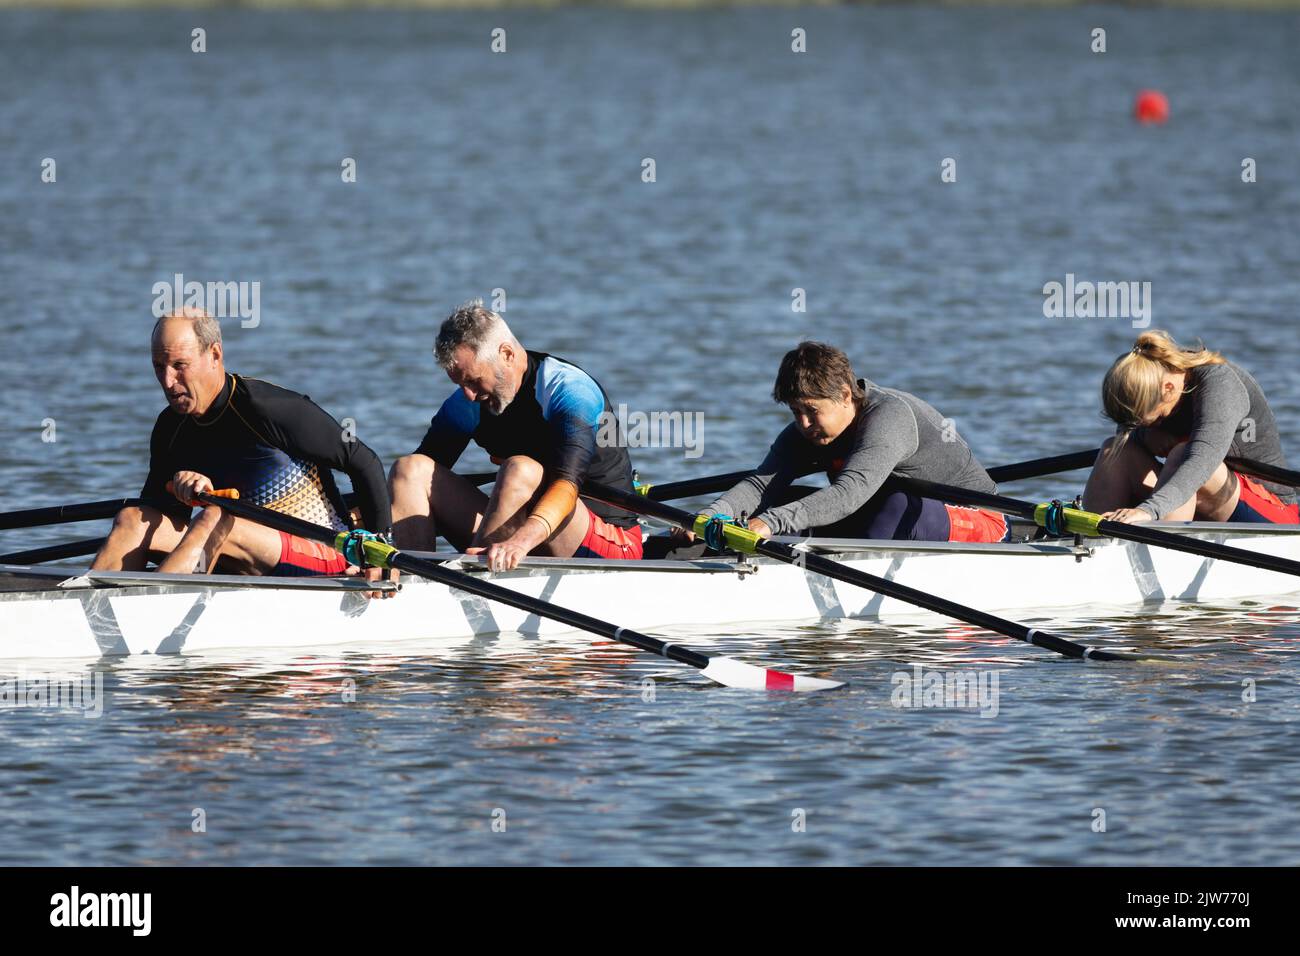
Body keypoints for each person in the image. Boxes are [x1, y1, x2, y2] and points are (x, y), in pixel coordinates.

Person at [92, 309, 394, 592]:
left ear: (214, 355)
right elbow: (159, 514)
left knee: (216, 517)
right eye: (159, 367)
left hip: (319, 549)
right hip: (237, 550)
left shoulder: (270, 409)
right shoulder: (170, 427)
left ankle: (153, 609)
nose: (168, 382)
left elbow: (364, 462)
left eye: (179, 366)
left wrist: (380, 553)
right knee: (133, 518)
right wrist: (181, 490)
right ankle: (94, 606)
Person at [389, 301, 641, 571]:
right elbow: (420, 481)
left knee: (520, 468)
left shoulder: (569, 390)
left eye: (473, 381)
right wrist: (358, 527)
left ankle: (478, 577)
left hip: (608, 541)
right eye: (460, 384)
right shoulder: (468, 402)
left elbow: (567, 486)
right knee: (410, 469)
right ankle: (411, 575)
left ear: (507, 353)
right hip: (517, 539)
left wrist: (520, 542)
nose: (468, 395)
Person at [690, 341, 1006, 544]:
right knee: (783, 498)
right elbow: (760, 486)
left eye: (812, 411)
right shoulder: (806, 431)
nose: (803, 423)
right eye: (795, 411)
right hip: (877, 516)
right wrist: (707, 517)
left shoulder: (889, 418)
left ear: (844, 395)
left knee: (891, 506)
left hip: (980, 519)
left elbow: (847, 495)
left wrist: (770, 523)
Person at [1082, 330, 1297, 524]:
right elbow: (1128, 433)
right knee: (1114, 450)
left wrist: (1150, 510)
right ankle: (1093, 540)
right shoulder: (1153, 374)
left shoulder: (1219, 384)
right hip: (1202, 496)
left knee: (1183, 453)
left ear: (1168, 388)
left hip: (1273, 511)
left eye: (1156, 420)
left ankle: (1163, 551)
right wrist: (1143, 437)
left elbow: (1200, 462)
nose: (1151, 426)